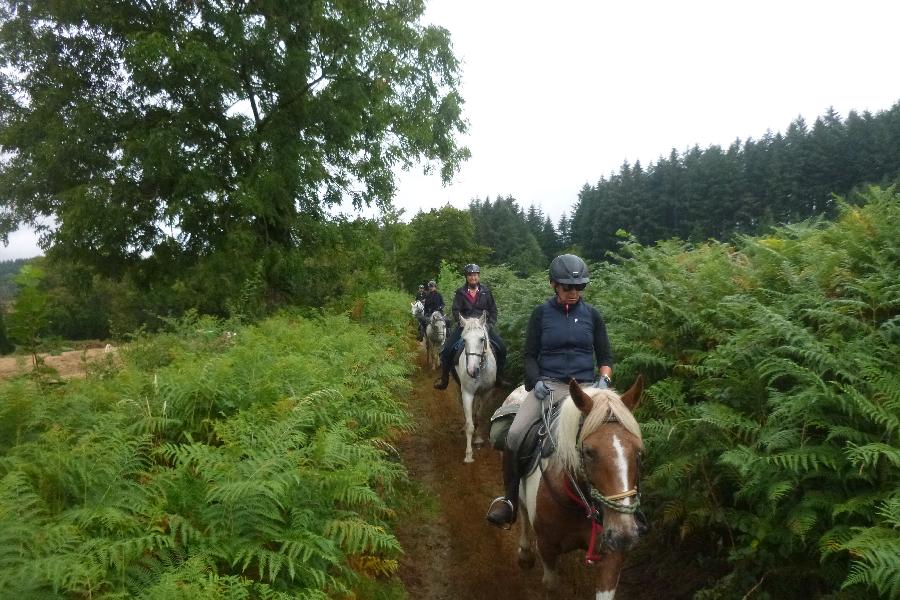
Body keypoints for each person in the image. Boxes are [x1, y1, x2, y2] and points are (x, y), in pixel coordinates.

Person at [485, 254, 613, 528]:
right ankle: (509, 500)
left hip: (587, 392)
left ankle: (626, 508)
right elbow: (530, 355)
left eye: (579, 288)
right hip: (550, 386)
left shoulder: (593, 316)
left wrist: (605, 380)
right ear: (553, 285)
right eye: (568, 287)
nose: (573, 293)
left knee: (619, 441)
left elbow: (605, 357)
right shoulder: (541, 314)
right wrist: (536, 381)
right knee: (516, 435)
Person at [433, 263, 507, 389]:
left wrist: (489, 325)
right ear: (466, 277)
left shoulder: (486, 292)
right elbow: (456, 310)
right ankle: (444, 379)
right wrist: (463, 323)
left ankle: (499, 376)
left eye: (475, 275)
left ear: (478, 276)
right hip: (465, 327)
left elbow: (493, 310)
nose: (473, 278)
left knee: (502, 348)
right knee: (446, 350)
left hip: (483, 327)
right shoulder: (460, 293)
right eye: (470, 275)